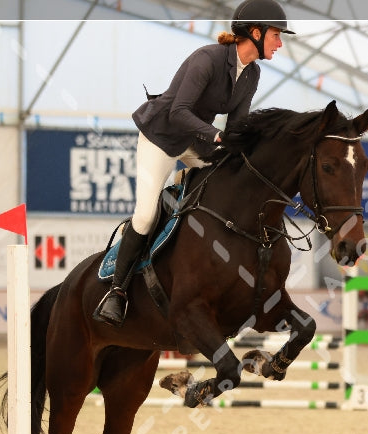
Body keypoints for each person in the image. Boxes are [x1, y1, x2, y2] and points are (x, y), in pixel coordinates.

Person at [94, 0, 295, 326]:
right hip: (161, 137)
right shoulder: (207, 59)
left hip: (196, 142)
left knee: (226, 180)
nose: (280, 42)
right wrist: (216, 137)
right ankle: (116, 292)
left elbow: (236, 127)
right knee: (145, 216)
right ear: (255, 33)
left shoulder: (252, 73)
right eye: (276, 34)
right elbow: (178, 112)